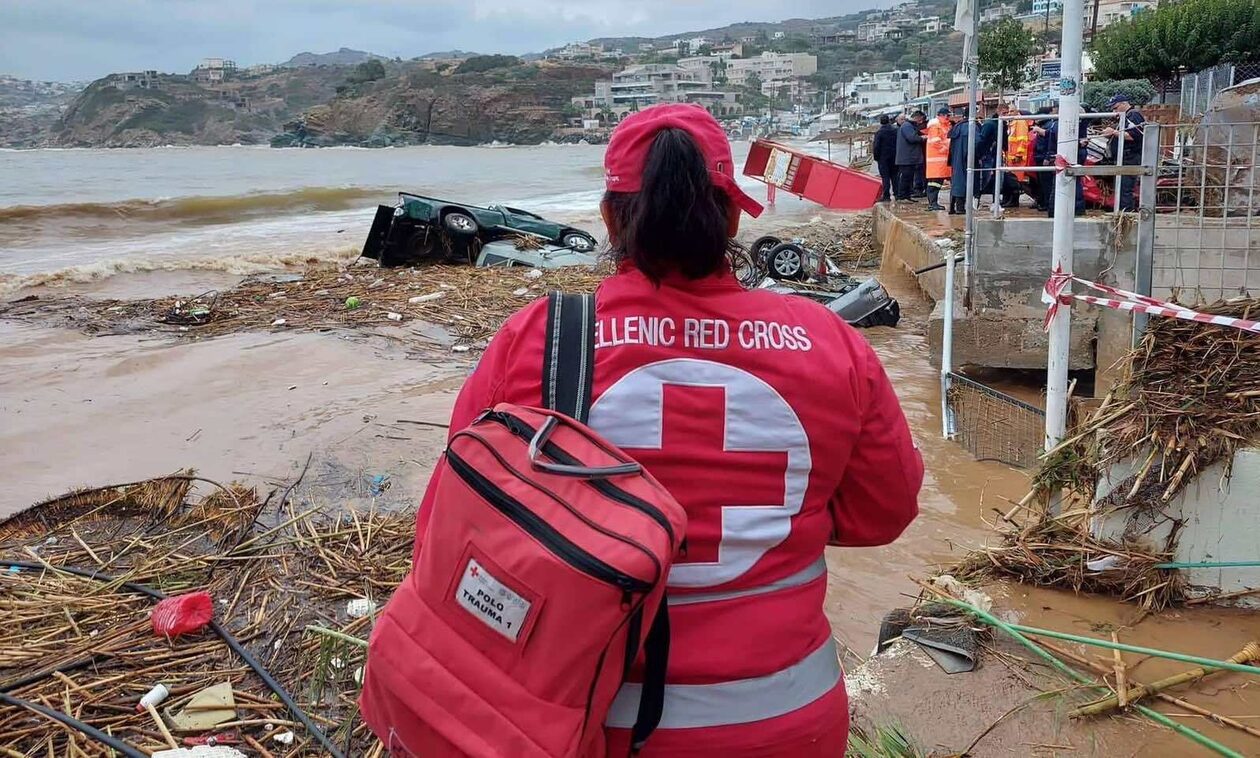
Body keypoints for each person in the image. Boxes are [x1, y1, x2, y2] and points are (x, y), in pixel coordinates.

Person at [365, 103, 922, 756]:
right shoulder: (828, 341)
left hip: (586, 730)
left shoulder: (541, 341)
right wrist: (784, 517)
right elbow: (883, 514)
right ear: (734, 217)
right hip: (789, 723)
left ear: (608, 218)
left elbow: (449, 528)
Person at [1103, 93, 1145, 212]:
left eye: (1115, 107)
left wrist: (1114, 133)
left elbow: (1135, 136)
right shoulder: (1125, 116)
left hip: (1129, 157)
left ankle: (1126, 214)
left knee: (1125, 188)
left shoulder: (1133, 116)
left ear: (1124, 104)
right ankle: (1122, 212)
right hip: (1123, 157)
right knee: (1121, 187)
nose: (1113, 110)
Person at [895, 110, 927, 203]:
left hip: (910, 158)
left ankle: (906, 196)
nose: (921, 122)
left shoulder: (909, 126)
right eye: (920, 120)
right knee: (905, 177)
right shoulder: (907, 126)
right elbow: (912, 138)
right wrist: (922, 138)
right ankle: (902, 197)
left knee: (908, 178)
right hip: (906, 158)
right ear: (916, 118)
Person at [924, 107, 952, 211]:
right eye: (947, 115)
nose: (948, 117)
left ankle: (933, 203)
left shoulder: (943, 125)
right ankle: (933, 203)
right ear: (940, 115)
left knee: (936, 183)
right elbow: (936, 142)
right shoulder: (935, 126)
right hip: (936, 161)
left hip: (941, 161)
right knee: (934, 183)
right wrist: (947, 147)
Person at [947, 108, 971, 215]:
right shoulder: (970, 127)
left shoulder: (957, 126)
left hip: (956, 158)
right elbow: (977, 143)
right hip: (966, 158)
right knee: (963, 182)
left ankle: (953, 207)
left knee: (956, 182)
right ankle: (960, 208)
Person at [872, 114, 899, 202]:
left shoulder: (879, 132)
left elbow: (876, 146)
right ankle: (897, 194)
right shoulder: (895, 131)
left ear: (880, 122)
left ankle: (886, 195)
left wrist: (876, 157)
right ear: (889, 121)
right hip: (894, 156)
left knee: (885, 177)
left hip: (883, 158)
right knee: (895, 176)